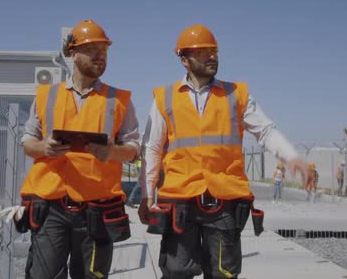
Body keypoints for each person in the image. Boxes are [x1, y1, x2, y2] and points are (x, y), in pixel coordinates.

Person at [137, 24, 308, 279]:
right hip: (179, 200)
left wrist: (291, 155)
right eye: (203, 52)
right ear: (184, 60)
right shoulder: (165, 98)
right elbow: (152, 148)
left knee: (223, 274)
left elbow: (265, 130)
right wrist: (147, 194)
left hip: (224, 202)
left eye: (214, 51)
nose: (212, 56)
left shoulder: (236, 95)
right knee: (176, 272)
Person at [17, 20, 140, 279]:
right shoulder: (46, 95)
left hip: (97, 209)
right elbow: (28, 142)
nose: (100, 55)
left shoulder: (121, 101)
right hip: (51, 207)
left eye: (104, 50)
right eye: (93, 48)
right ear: (73, 53)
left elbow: (133, 149)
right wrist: (44, 147)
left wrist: (112, 153)